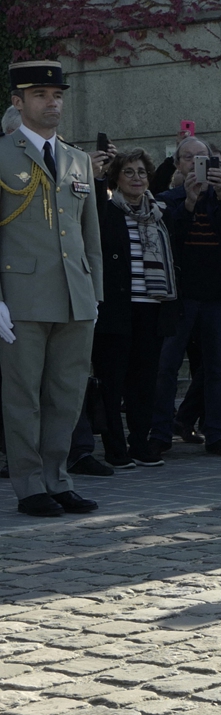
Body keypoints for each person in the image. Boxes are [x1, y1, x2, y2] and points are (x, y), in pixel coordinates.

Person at [0, 61, 103, 517]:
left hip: (73, 294)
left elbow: (90, 235)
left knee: (66, 395)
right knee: (23, 396)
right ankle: (28, 484)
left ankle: (58, 478)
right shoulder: (3, 154)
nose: (52, 102)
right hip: (20, 296)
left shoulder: (77, 159)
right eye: (40, 94)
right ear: (17, 102)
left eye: (57, 95)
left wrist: (94, 293)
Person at [153, 137, 221, 459]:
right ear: (179, 164)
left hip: (217, 297)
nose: (196, 163)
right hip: (179, 297)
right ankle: (159, 433)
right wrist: (188, 203)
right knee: (166, 366)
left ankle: (216, 434)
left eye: (204, 158)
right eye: (189, 158)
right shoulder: (168, 199)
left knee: (218, 368)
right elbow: (168, 236)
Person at [90, 148, 175, 470]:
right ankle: (116, 447)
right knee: (112, 383)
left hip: (152, 308)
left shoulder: (160, 213)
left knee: (144, 382)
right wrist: (97, 178)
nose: (137, 177)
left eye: (141, 172)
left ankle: (140, 443)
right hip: (116, 310)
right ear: (116, 178)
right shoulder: (107, 212)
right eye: (129, 172)